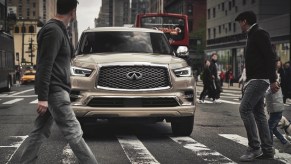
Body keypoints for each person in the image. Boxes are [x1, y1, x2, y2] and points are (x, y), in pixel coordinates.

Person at [20, 0, 98, 163]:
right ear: (73, 11)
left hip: (55, 90)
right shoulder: (53, 30)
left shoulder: (58, 29)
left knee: (39, 132)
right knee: (74, 131)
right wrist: (43, 97)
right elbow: (45, 64)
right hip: (55, 92)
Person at [235, 11, 279, 162]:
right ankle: (267, 149)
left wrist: (273, 80)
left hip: (260, 79)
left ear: (245, 21)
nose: (239, 25)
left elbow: (270, 56)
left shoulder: (259, 33)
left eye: (240, 22)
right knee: (259, 113)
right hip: (255, 79)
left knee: (244, 108)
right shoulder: (252, 35)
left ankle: (254, 148)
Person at [266, 60, 291, 153]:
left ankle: (270, 147)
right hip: (277, 109)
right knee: (274, 128)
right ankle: (284, 142)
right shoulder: (275, 82)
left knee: (269, 128)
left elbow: (267, 93)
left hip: (276, 110)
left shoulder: (272, 84)